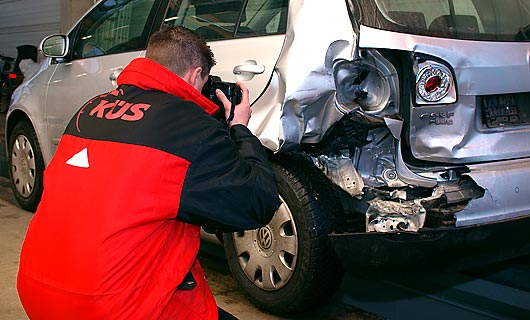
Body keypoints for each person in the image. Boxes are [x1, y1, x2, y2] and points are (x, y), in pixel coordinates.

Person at [17, 26, 280, 320]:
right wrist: (239, 128)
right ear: (195, 75)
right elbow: (258, 202)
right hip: (110, 307)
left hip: (35, 290)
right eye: (204, 82)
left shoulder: (88, 109)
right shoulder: (190, 127)